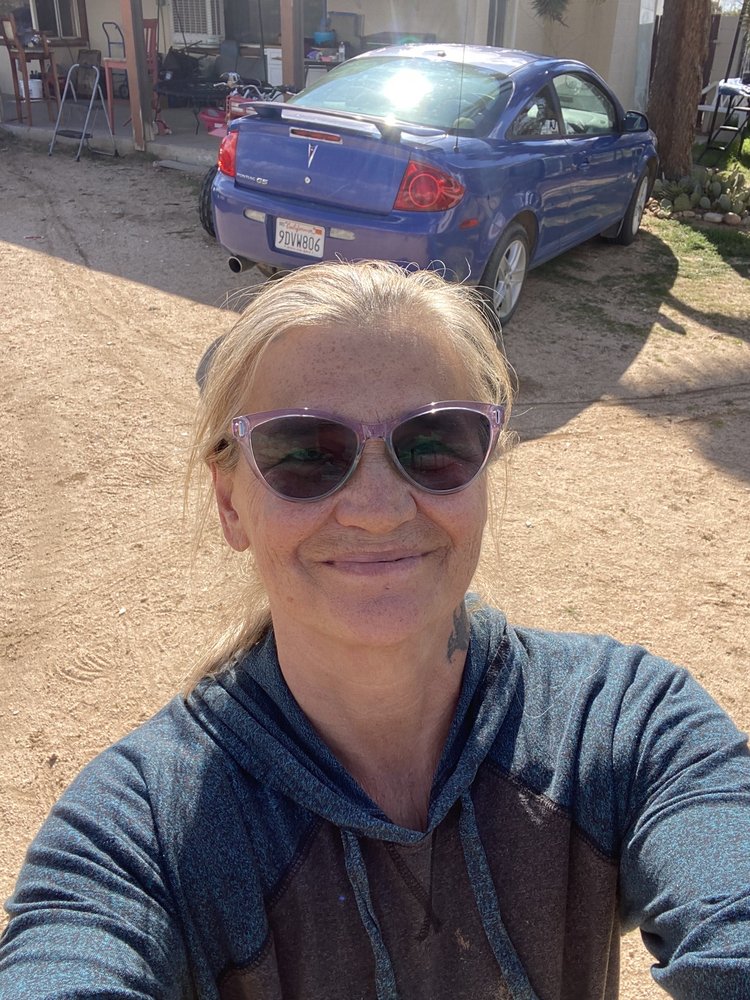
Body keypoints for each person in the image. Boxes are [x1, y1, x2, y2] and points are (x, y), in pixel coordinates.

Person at [0, 260, 749, 1000]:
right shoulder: (139, 831)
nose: (379, 509)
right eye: (304, 454)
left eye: (434, 445)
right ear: (230, 503)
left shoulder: (628, 725)